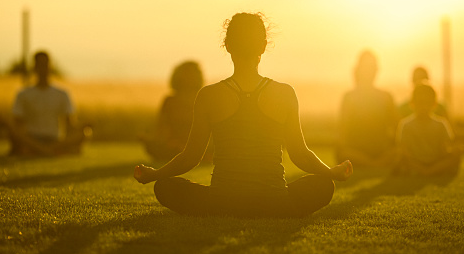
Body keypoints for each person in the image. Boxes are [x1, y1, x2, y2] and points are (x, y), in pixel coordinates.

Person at [134, 12, 352, 218]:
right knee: (323, 185)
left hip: (222, 202)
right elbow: (300, 154)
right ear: (264, 46)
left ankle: (227, 207)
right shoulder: (285, 93)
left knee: (164, 186)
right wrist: (331, 173)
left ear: (227, 46)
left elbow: (190, 157)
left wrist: (155, 175)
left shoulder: (209, 95)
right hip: (274, 202)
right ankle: (274, 209)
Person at [8, 51, 86, 156]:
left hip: (54, 139)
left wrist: (83, 127)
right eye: (40, 65)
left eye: (45, 65)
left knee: (85, 134)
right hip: (31, 138)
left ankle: (40, 150)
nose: (43, 68)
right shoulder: (23, 94)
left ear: (50, 66)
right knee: (13, 132)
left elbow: (70, 124)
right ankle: (50, 150)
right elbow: (17, 125)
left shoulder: (62, 93)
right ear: (35, 67)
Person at [337, 50, 398, 167]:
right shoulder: (349, 97)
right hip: (356, 150)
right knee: (344, 154)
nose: (369, 72)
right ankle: (375, 164)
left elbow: (397, 126)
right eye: (366, 68)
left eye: (371, 68)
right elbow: (343, 129)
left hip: (381, 150)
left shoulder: (386, 96)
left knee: (398, 153)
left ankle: (371, 164)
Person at [139, 61, 207, 161]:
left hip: (197, 145)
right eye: (188, 73)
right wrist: (169, 142)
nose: (191, 77)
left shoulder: (204, 99)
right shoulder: (170, 101)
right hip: (172, 144)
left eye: (194, 73)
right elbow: (162, 126)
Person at [394, 82, 461, 176]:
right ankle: (429, 171)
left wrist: (453, 151)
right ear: (412, 103)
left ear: (434, 104)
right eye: (420, 102)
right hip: (415, 162)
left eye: (427, 102)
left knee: (455, 155)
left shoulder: (441, 123)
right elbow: (404, 150)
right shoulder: (406, 124)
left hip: (435, 161)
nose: (424, 106)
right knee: (399, 157)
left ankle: (426, 171)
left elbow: (444, 148)